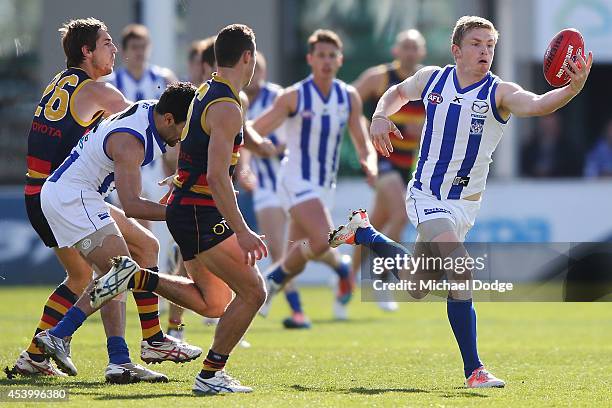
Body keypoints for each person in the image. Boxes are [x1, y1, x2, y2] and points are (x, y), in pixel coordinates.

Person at [329, 15, 592, 388]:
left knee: (416, 287)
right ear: (456, 50)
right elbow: (397, 92)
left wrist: (571, 90)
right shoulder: (432, 79)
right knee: (462, 268)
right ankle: (475, 370)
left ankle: (366, 234)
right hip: (426, 195)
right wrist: (379, 115)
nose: (485, 50)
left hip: (464, 206)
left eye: (490, 45)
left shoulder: (498, 92)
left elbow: (536, 104)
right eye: (476, 44)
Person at [44, 24, 268, 395]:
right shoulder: (227, 105)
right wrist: (241, 229)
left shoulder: (201, 94)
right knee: (254, 292)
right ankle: (210, 374)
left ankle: (137, 291)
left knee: (214, 302)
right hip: (198, 213)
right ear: (248, 57)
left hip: (188, 208)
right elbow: (216, 176)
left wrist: (180, 182)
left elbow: (194, 151)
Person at [10, 18, 195, 383]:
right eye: (107, 43)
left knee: (132, 253)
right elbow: (141, 125)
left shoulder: (60, 83)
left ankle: (41, 356)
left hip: (45, 189)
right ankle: (80, 347)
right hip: (62, 193)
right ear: (87, 51)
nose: (114, 51)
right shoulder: (99, 92)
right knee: (113, 270)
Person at [252, 29, 377, 320]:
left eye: (332, 55)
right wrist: (241, 148)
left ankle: (267, 284)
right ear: (310, 59)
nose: (326, 61)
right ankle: (273, 281)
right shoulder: (294, 96)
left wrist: (369, 163)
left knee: (299, 254)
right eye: (321, 55)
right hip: (295, 179)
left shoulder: (349, 97)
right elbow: (258, 128)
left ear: (340, 59)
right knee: (322, 241)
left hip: (324, 187)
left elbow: (362, 141)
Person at [352, 29, 427, 311]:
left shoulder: (426, 83)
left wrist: (425, 128)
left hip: (408, 162)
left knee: (376, 224)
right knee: (400, 214)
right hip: (381, 158)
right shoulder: (379, 77)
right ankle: (381, 278)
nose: (409, 52)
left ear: (421, 52)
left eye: (414, 47)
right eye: (405, 46)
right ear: (396, 51)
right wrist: (365, 130)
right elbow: (349, 101)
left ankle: (344, 281)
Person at [241, 52, 310, 329]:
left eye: (259, 69)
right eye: (251, 69)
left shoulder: (278, 97)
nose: (254, 74)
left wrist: (268, 147)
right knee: (283, 249)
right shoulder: (239, 100)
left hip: (290, 181)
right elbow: (242, 140)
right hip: (265, 187)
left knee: (306, 246)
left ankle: (342, 271)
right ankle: (298, 311)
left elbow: (292, 137)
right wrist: (245, 166)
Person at [521, 113, 582, 177]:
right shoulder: (529, 148)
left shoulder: (570, 150)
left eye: (551, 125)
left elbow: (572, 171)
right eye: (545, 126)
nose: (548, 129)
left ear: (558, 126)